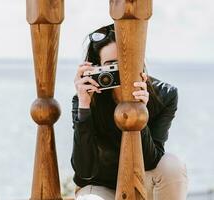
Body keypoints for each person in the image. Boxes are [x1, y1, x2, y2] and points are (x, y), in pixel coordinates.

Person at [71, 23, 188, 200]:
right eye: (111, 66)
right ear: (96, 68)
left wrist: (139, 113)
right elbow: (83, 171)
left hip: (142, 179)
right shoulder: (88, 100)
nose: (122, 72)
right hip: (101, 186)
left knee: (172, 165)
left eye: (125, 64)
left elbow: (150, 162)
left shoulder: (164, 95)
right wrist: (85, 106)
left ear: (139, 61)